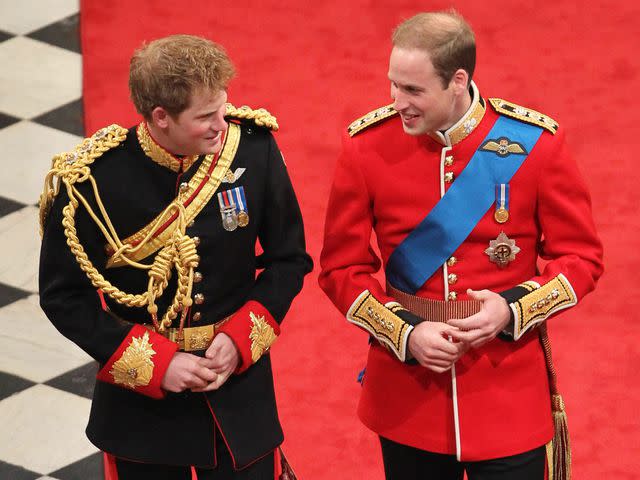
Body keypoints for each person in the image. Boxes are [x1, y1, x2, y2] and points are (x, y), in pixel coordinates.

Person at [319, 11, 602, 480]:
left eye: (413, 91)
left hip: (507, 394)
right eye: (393, 85)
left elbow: (583, 258)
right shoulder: (365, 147)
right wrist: (406, 334)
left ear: (458, 80)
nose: (397, 102)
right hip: (408, 398)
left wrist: (511, 310)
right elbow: (340, 270)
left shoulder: (534, 144)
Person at [39, 34, 312, 480]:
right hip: (143, 412)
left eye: (222, 108)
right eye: (205, 117)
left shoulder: (253, 150)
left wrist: (243, 338)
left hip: (239, 395)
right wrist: (156, 364)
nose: (221, 125)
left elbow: (289, 259)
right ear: (160, 117)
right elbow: (63, 297)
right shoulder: (91, 183)